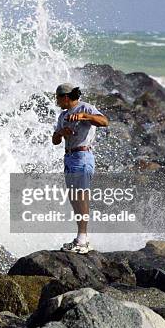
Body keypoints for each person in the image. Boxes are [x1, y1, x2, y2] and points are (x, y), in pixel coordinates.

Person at [52, 83, 108, 254]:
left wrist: (84, 116)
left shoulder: (85, 107)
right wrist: (61, 133)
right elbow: (55, 140)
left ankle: (83, 239)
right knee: (74, 199)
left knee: (81, 196)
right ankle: (81, 238)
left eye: (58, 98)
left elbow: (104, 122)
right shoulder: (63, 116)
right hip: (69, 157)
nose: (56, 101)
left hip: (82, 156)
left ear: (66, 97)